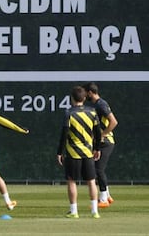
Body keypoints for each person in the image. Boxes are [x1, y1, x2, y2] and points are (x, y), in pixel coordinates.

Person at [57, 86, 102, 219]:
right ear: (84, 98)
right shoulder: (92, 112)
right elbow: (98, 133)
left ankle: (74, 211)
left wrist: (59, 152)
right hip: (88, 152)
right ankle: (95, 211)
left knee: (71, 181)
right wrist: (97, 148)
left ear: (72, 98)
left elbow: (64, 134)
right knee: (91, 181)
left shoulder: (69, 113)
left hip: (73, 153)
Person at [83, 82, 118, 208]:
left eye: (85, 92)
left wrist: (102, 135)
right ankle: (107, 196)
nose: (84, 95)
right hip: (103, 142)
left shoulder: (101, 104)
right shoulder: (98, 104)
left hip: (106, 142)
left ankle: (103, 199)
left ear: (90, 92)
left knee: (98, 169)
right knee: (97, 169)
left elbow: (113, 122)